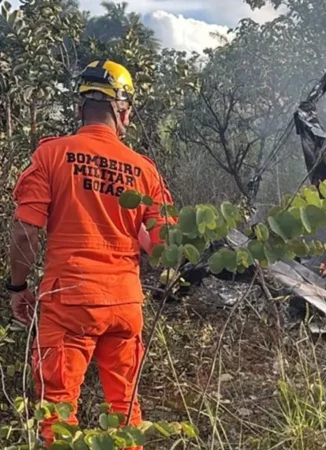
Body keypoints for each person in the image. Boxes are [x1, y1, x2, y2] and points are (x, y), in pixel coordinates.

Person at [5, 59, 173, 448]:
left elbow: (26, 232)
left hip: (69, 301)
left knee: (58, 409)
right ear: (124, 112)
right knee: (126, 408)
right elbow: (163, 248)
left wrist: (17, 286)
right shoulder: (145, 170)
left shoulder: (52, 154)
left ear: (80, 109)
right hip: (125, 304)